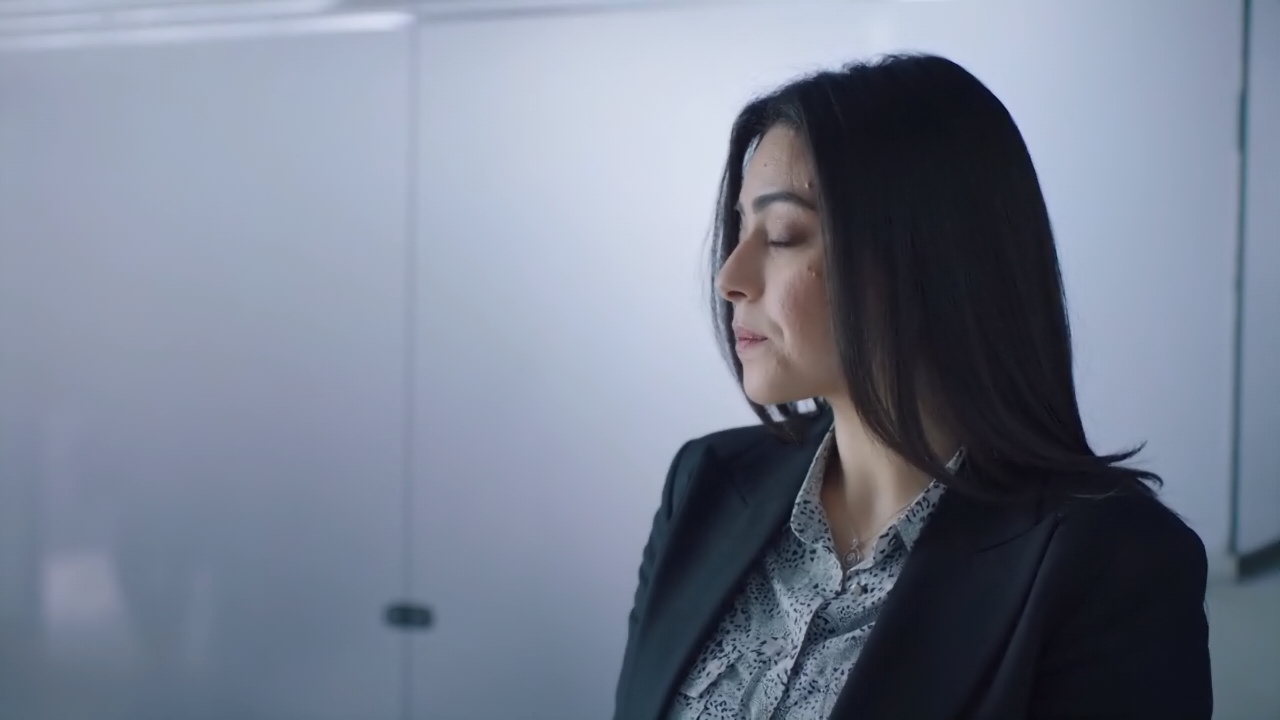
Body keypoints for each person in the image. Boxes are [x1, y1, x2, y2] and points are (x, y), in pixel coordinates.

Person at [612, 53, 1212, 720]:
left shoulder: (1114, 568)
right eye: (742, 228)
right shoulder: (703, 484)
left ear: (925, 257)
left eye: (782, 235)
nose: (729, 276)